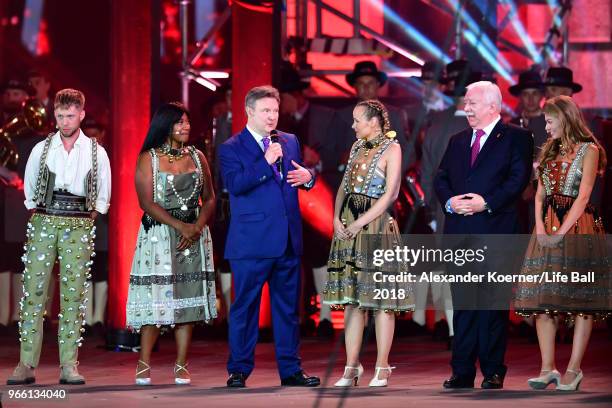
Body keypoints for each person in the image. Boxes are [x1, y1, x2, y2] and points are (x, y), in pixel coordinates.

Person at [6, 88, 112, 385]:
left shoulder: (96, 151)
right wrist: (39, 212)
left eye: (71, 115)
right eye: (61, 115)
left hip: (78, 222)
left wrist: (91, 215)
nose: (66, 121)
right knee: (34, 293)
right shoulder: (43, 148)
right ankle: (26, 363)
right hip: (44, 219)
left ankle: (69, 364)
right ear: (55, 115)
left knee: (73, 296)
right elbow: (29, 189)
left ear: (81, 114)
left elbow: (103, 193)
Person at [219, 85, 319, 388]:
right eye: (265, 111)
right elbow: (235, 185)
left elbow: (298, 175)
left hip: (287, 239)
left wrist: (309, 177)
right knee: (245, 308)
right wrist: (264, 161)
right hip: (251, 242)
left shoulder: (289, 140)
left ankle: (291, 370)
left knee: (288, 311)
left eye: (275, 110)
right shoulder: (231, 147)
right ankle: (238, 369)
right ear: (249, 112)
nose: (272, 116)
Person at [434, 81, 533, 389]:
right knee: (463, 304)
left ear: (493, 106)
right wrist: (450, 202)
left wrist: (486, 203)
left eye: (472, 103)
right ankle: (461, 370)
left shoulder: (516, 137)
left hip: (497, 232)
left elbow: (518, 179)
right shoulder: (457, 140)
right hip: (460, 232)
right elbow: (441, 177)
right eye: (466, 102)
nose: (467, 107)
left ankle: (492, 370)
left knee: (492, 304)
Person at [514, 95, 609, 391]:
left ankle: (573, 369)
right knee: (544, 299)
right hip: (548, 223)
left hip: (577, 226)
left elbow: (584, 196)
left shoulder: (589, 150)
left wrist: (562, 231)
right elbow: (540, 194)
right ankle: (547, 368)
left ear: (565, 118)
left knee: (581, 301)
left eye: (550, 120)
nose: (546, 126)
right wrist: (541, 226)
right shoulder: (548, 151)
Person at [323, 99, 414, 387]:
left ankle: (383, 365)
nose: (353, 125)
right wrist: (337, 218)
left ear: (373, 121)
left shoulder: (393, 148)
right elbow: (344, 186)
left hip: (375, 227)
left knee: (382, 301)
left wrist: (360, 223)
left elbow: (391, 194)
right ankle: (351, 366)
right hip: (350, 224)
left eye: (357, 120)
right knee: (353, 301)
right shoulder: (355, 148)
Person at [126, 102, 217, 386]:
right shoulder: (148, 158)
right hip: (160, 235)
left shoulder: (198, 156)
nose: (185, 127)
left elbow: (211, 197)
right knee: (156, 299)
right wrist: (181, 227)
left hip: (194, 233)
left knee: (187, 303)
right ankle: (144, 363)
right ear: (165, 125)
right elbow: (146, 203)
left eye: (187, 122)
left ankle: (181, 364)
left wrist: (197, 227)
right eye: (179, 122)